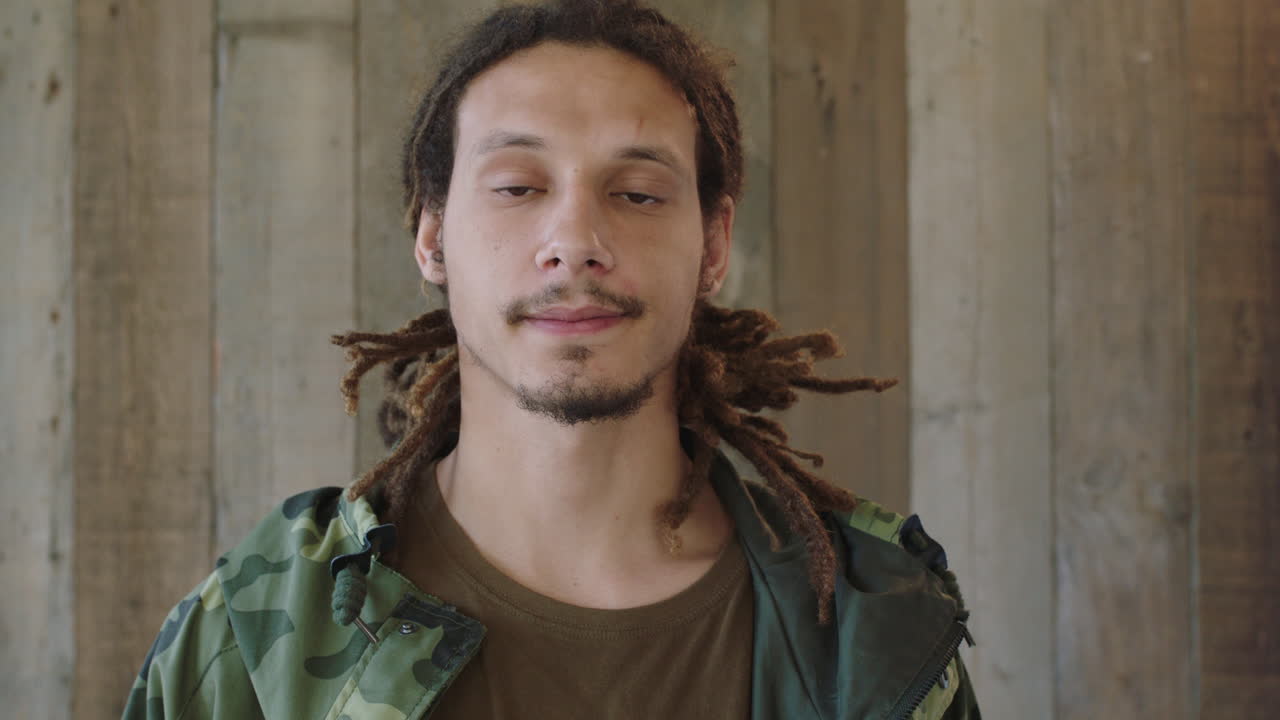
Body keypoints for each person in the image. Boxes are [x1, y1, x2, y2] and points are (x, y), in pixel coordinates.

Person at [123, 1, 980, 717]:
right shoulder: (265, 626)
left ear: (713, 245)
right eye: (517, 187)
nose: (574, 242)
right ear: (431, 236)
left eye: (637, 194)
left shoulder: (872, 634)